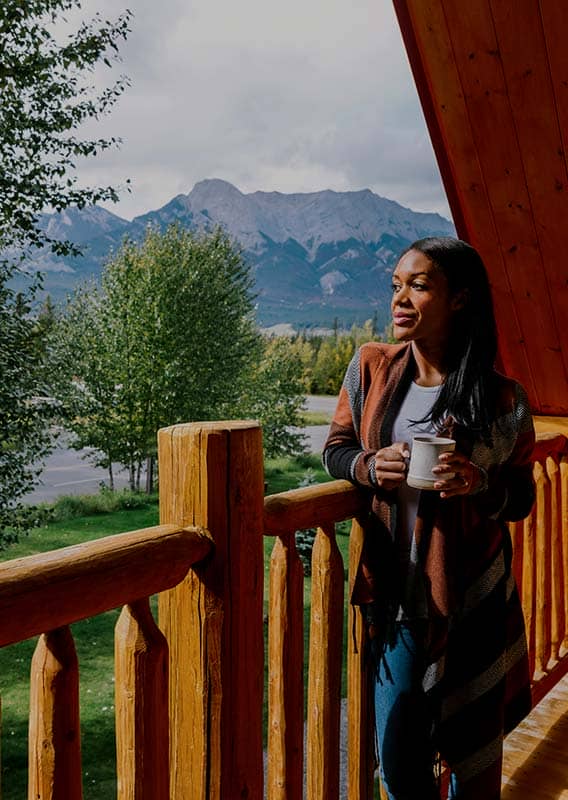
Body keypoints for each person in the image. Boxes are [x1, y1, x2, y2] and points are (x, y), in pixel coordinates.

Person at [322, 237, 535, 799]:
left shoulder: (502, 400)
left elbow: (521, 498)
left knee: (475, 764)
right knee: (398, 765)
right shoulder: (370, 368)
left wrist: (478, 484)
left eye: (419, 285)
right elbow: (336, 449)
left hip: (472, 597)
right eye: (396, 285)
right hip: (395, 597)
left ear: (459, 299)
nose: (400, 298)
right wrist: (370, 467)